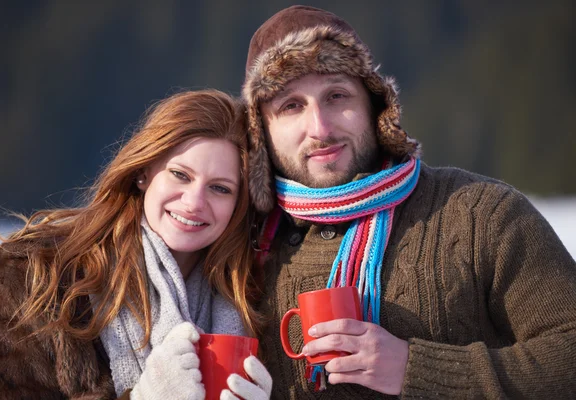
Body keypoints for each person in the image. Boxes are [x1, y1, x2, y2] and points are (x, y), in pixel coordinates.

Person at [242, 5, 576, 399]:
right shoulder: (243, 248)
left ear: (375, 104)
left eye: (336, 95)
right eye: (291, 106)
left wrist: (414, 370)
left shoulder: (479, 213)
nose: (320, 128)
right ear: (261, 130)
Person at [0, 90, 272, 399]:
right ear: (144, 173)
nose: (194, 202)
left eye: (220, 188)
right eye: (180, 175)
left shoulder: (250, 300)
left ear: (238, 205)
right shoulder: (37, 280)